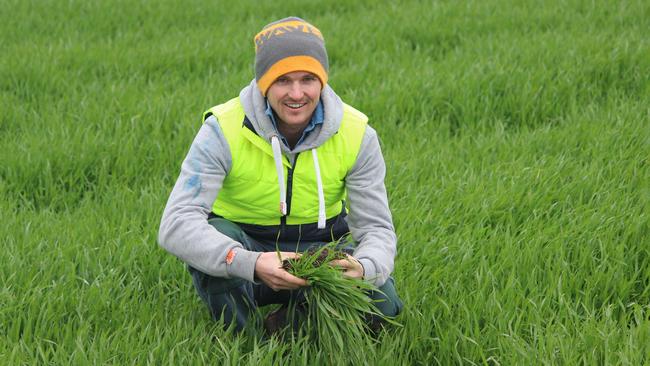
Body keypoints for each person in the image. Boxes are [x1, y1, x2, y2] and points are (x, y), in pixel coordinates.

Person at [158, 16, 402, 333]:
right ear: (263, 82)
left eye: (307, 79)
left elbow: (377, 228)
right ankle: (243, 344)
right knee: (217, 236)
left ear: (323, 81)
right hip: (247, 253)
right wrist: (251, 263)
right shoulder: (222, 129)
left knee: (385, 306)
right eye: (283, 80)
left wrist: (363, 267)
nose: (297, 93)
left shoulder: (357, 135)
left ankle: (287, 328)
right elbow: (176, 223)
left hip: (320, 256)